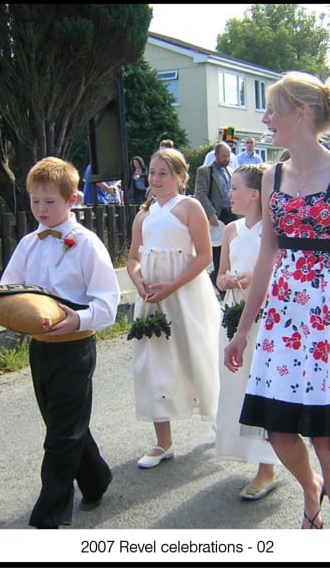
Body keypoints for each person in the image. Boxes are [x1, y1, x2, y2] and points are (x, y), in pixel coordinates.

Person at [224, 72, 330, 530]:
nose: (265, 117)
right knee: (278, 430)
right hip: (281, 314)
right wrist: (241, 332)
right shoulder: (271, 175)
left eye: (273, 108)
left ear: (301, 113)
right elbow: (268, 257)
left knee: (326, 433)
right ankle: (310, 487)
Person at [0, 157, 120, 528]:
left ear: (72, 199)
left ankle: (48, 518)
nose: (41, 209)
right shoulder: (28, 244)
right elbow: (11, 289)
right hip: (41, 348)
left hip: (76, 347)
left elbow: (108, 303)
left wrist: (77, 318)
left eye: (49, 202)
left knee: (61, 435)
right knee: (61, 423)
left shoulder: (86, 244)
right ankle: (97, 477)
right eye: (35, 201)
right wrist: (12, 316)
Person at [126, 148, 221, 468]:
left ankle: (219, 416)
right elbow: (133, 258)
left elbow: (204, 256)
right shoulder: (144, 213)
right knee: (152, 363)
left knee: (197, 352)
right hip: (153, 297)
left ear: (181, 176)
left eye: (163, 173)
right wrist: (139, 281)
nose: (155, 179)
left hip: (185, 293)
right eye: (152, 172)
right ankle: (162, 442)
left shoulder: (189, 207)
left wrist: (175, 284)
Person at [214, 163, 279, 501]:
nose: (230, 193)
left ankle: (267, 465)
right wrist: (226, 280)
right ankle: (250, 453)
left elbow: (276, 271)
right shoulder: (231, 230)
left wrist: (254, 280)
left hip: (263, 316)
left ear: (255, 194)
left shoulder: (273, 229)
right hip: (233, 310)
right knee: (236, 384)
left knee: (261, 385)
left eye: (235, 188)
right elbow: (221, 273)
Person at [195, 141, 241, 289]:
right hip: (217, 216)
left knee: (232, 249)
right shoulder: (206, 171)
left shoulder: (231, 171)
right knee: (218, 252)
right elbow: (200, 194)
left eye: (228, 156)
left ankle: (222, 280)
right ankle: (217, 282)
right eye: (223, 156)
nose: (227, 159)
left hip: (231, 214)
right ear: (216, 155)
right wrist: (211, 213)